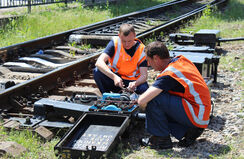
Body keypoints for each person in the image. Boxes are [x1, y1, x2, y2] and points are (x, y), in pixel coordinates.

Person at [137, 41, 211, 149]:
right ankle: (188, 131)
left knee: (154, 99)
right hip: (200, 112)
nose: (148, 64)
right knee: (161, 98)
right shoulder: (180, 60)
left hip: (197, 114)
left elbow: (142, 101)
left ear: (156, 58)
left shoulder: (169, 74)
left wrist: (144, 108)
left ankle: (160, 140)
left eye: (148, 60)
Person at [93, 23, 149, 94]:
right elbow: (99, 62)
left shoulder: (142, 49)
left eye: (129, 41)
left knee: (145, 89)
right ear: (119, 36)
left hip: (132, 81)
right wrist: (114, 77)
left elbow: (144, 76)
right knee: (97, 71)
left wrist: (135, 83)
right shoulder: (115, 42)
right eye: (124, 41)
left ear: (134, 36)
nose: (127, 44)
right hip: (116, 79)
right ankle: (107, 97)